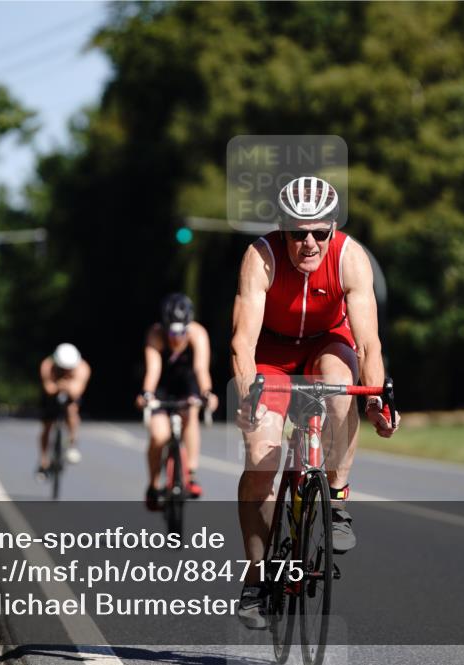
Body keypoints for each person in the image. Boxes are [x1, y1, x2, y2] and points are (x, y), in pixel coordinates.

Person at [231, 176, 399, 628]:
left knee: (341, 385)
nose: (309, 242)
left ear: (333, 229)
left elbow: (368, 344)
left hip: (328, 344)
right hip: (273, 353)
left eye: (319, 232)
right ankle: (256, 578)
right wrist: (249, 394)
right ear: (282, 230)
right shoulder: (260, 258)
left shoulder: (351, 258)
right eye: (298, 232)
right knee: (259, 458)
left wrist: (379, 399)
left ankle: (338, 497)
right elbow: (242, 343)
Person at [135, 293, 218, 510]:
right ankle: (153, 485)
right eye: (172, 331)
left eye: (182, 331)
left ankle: (189, 474)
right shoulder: (155, 335)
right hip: (162, 387)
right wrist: (146, 394)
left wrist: (207, 393)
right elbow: (153, 369)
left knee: (190, 414)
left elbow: (201, 369)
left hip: (186, 385)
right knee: (159, 436)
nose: (176, 337)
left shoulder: (198, 334)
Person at [38, 343, 91, 479]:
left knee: (72, 410)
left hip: (70, 395)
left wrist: (65, 386)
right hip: (51, 396)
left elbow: (76, 392)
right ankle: (43, 460)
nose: (66, 371)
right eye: (63, 368)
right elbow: (49, 388)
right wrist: (60, 385)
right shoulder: (47, 365)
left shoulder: (83, 368)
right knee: (47, 425)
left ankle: (72, 443)